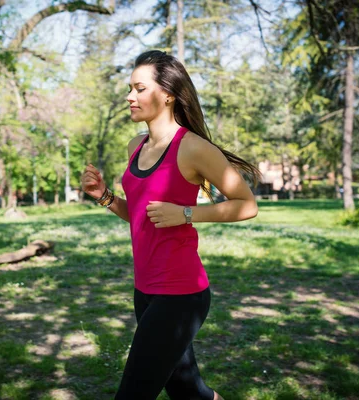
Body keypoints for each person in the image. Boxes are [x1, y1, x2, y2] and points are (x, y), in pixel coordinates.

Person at [80, 50, 261, 400]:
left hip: (180, 294)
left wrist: (187, 213)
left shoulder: (192, 148)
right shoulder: (136, 146)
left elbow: (247, 205)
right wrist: (104, 196)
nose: (129, 97)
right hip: (144, 290)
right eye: (130, 88)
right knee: (187, 391)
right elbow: (141, 215)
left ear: (167, 94)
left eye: (139, 88)